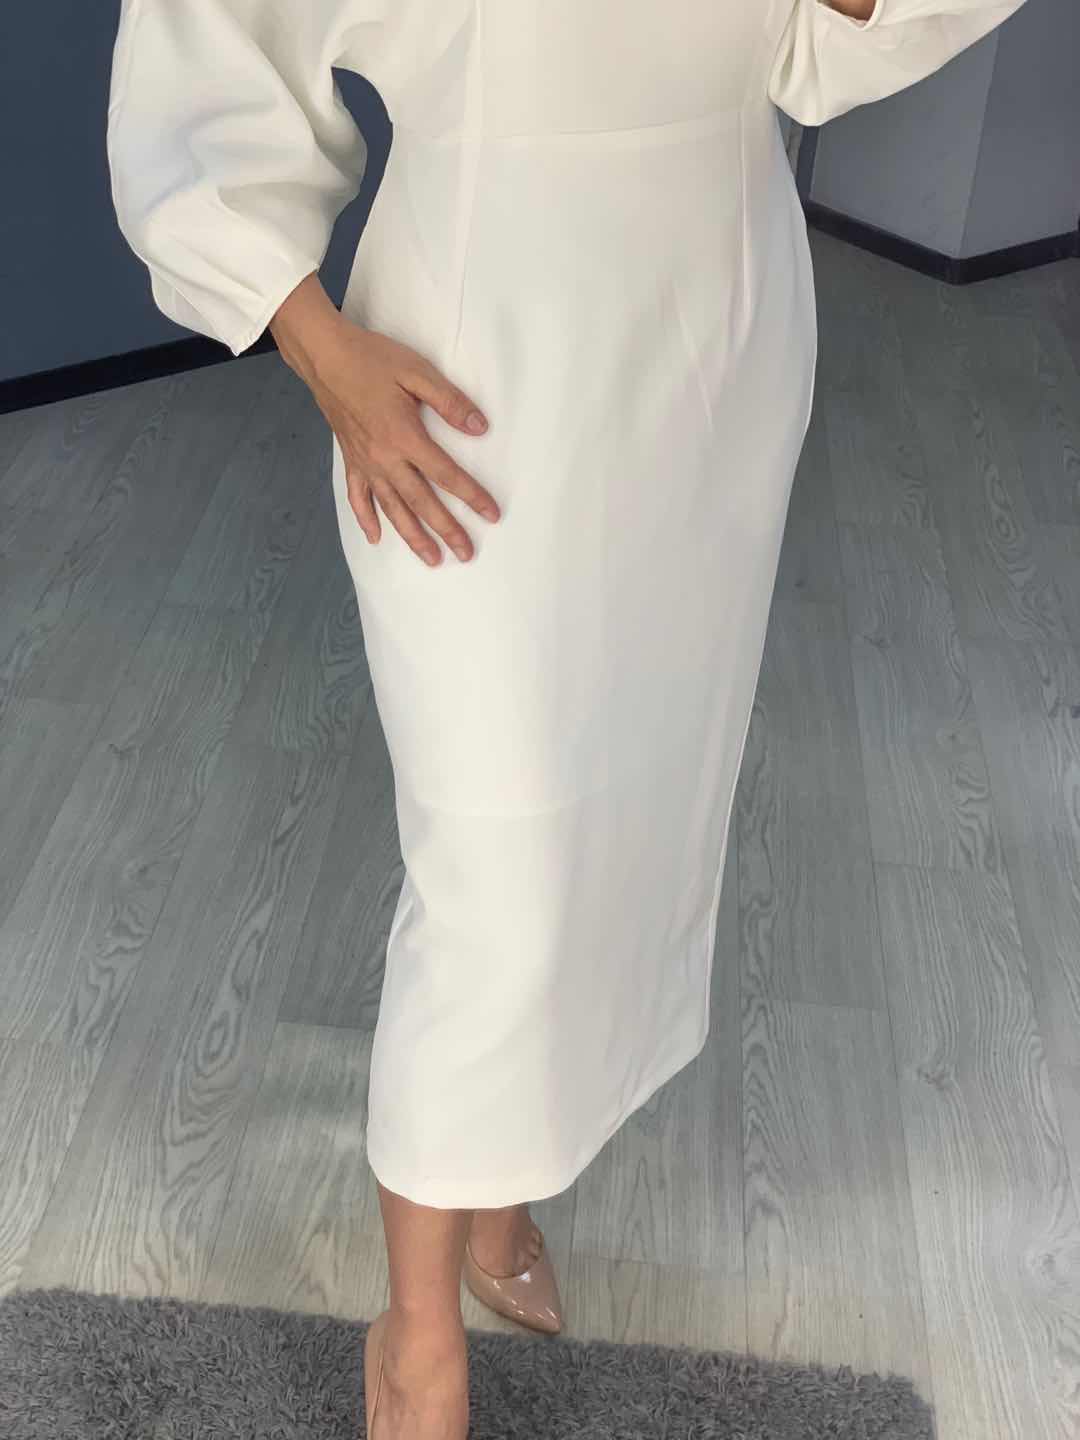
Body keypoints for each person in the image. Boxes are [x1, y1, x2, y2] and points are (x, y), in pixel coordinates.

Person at [106, 0, 1029, 1434]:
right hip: (480, 367)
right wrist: (323, 351)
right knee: (501, 860)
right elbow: (208, 36)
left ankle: (502, 1178)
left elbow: (810, 54)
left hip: (714, 339)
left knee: (633, 814)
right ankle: (416, 1331)